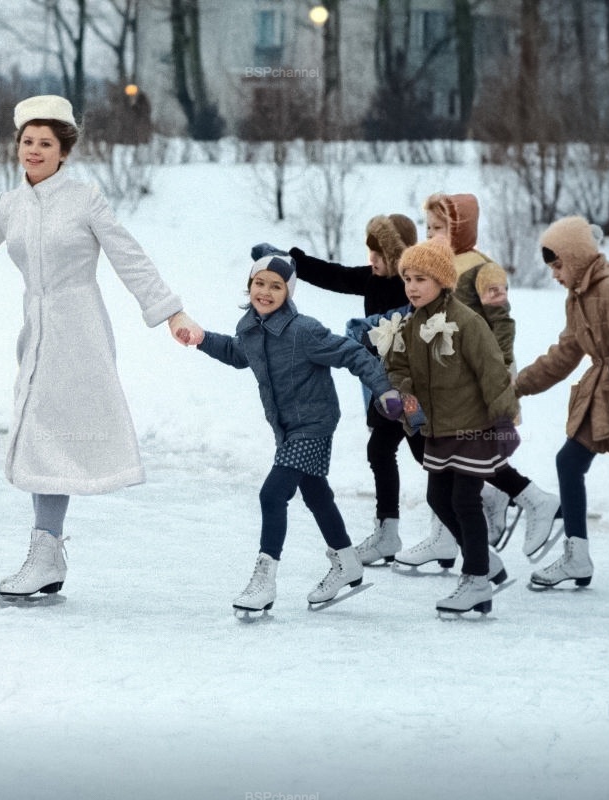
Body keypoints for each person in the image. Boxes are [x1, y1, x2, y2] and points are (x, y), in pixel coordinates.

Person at [0, 95, 197, 602]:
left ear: (63, 151)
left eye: (45, 143)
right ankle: (47, 554)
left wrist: (171, 312)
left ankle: (45, 552)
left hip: (80, 331)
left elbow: (130, 258)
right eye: (27, 141)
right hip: (37, 332)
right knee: (41, 435)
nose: (34, 150)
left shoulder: (86, 199)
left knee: (50, 434)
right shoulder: (9, 206)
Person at [175, 252, 402, 612]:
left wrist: (384, 389)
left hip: (315, 423)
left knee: (272, 494)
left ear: (288, 292)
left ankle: (265, 580)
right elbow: (238, 353)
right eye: (259, 283)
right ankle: (347, 560)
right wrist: (201, 339)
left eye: (276, 286)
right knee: (315, 493)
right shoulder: (249, 327)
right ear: (249, 286)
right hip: (286, 429)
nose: (265, 292)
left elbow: (354, 354)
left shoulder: (304, 331)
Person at [398, 192, 559, 564]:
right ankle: (460, 530)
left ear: (463, 227)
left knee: (470, 452)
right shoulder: (428, 268)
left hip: (483, 377)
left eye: (442, 227)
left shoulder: (484, 268)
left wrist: (501, 374)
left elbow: (501, 324)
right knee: (451, 460)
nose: (433, 234)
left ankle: (529, 502)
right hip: (445, 383)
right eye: (429, 227)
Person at [386, 239, 520, 615]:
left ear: (443, 280)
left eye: (421, 279)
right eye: (407, 278)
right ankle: (484, 560)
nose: (412, 286)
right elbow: (398, 369)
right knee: (438, 498)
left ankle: (476, 579)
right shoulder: (411, 325)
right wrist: (406, 399)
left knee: (464, 500)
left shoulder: (465, 321)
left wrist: (504, 422)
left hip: (473, 426)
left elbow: (493, 371)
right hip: (439, 430)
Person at [283, 213, 421, 566]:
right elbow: (335, 275)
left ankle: (463, 519)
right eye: (369, 252)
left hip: (412, 386)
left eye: (379, 254)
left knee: (427, 455)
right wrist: (295, 261)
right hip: (380, 384)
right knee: (380, 451)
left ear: (398, 255)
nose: (371, 260)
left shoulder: (414, 287)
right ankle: (388, 532)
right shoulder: (371, 279)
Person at [513, 216, 609, 590]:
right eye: (551, 267)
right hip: (601, 400)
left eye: (559, 265)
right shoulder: (577, 299)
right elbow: (565, 354)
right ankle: (576, 556)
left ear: (578, 258)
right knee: (568, 461)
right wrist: (517, 386)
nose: (555, 275)